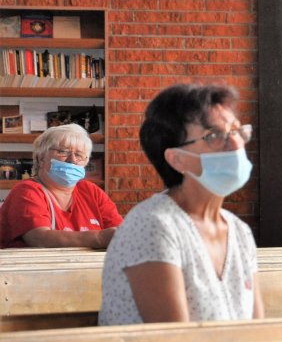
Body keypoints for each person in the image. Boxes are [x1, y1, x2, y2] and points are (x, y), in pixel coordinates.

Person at [98, 84, 264, 324]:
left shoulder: (239, 231)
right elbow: (176, 340)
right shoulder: (152, 226)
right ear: (177, 160)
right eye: (214, 136)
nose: (236, 144)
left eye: (236, 131)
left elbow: (257, 332)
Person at [0, 123, 122, 248]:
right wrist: (99, 238)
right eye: (63, 151)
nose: (72, 160)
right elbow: (39, 238)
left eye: (79, 155)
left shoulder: (92, 192)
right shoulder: (27, 191)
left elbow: (120, 234)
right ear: (41, 158)